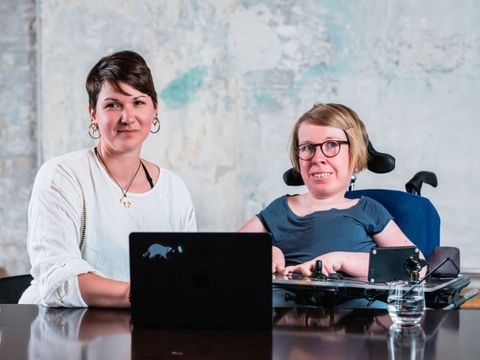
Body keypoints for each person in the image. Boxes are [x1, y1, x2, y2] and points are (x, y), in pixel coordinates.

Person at [19, 50, 196, 308]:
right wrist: (143, 295)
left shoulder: (174, 189)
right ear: (93, 113)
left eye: (138, 102)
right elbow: (58, 280)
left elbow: (185, 271)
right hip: (60, 329)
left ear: (154, 110)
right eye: (113, 104)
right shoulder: (61, 175)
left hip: (142, 326)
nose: (127, 117)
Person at [240, 103, 424, 279]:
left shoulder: (367, 210)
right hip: (282, 308)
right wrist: (267, 250)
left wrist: (340, 260)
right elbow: (224, 251)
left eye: (331, 145)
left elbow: (417, 266)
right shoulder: (279, 210)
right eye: (307, 147)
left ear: (355, 152)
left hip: (352, 309)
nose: (317, 158)